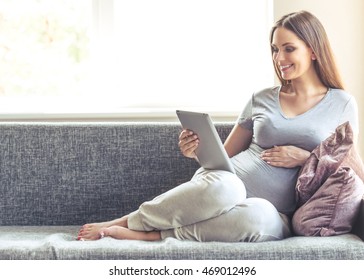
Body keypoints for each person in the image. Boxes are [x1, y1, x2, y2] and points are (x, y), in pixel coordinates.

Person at [77, 10, 359, 242]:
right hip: (223, 186)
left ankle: (154, 235)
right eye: (274, 49)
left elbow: (353, 169)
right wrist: (196, 151)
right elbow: (223, 157)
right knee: (229, 188)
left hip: (275, 209)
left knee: (259, 219)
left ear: (312, 51)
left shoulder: (342, 104)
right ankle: (129, 221)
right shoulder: (260, 98)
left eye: (289, 49)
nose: (279, 59)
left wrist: (306, 158)